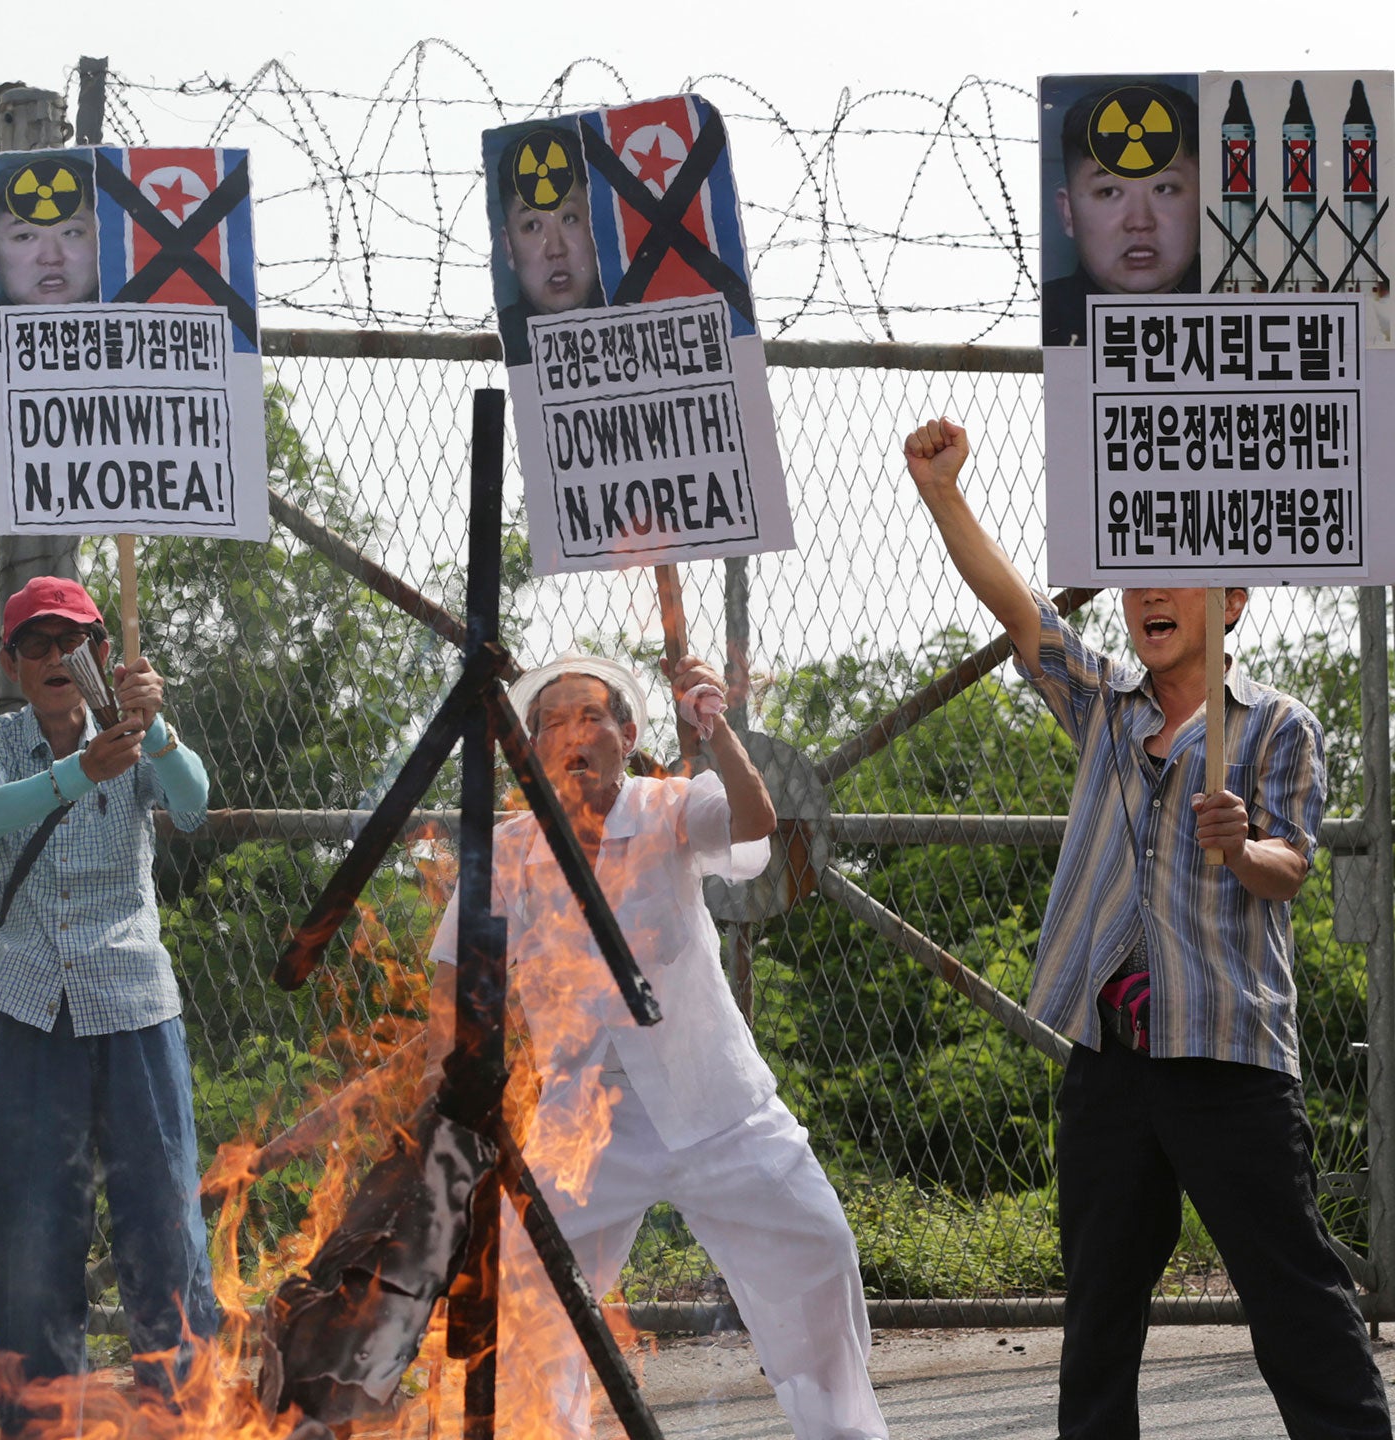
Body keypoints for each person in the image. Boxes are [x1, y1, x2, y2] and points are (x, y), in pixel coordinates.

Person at [904, 416, 1391, 1439]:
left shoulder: (1272, 723)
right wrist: (942, 493)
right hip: (1108, 1060)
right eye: (1134, 585)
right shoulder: (1099, 705)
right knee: (1097, 1324)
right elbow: (1014, 606)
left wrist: (1237, 844)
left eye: (1175, 581)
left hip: (1225, 1058)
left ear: (1235, 601)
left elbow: (1287, 868)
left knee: (1293, 1304)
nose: (1148, 600)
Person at [427, 654, 888, 1440]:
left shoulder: (670, 806)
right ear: (529, 749)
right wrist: (460, 1073)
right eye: (553, 723)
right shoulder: (507, 851)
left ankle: (844, 1432)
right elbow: (451, 971)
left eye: (593, 717)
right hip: (587, 1128)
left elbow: (754, 823)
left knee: (820, 1249)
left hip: (716, 1104)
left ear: (628, 735)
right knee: (525, 1302)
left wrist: (716, 732)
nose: (575, 735)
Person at [0, 576, 216, 1424]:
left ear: (102, 653)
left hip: (137, 1003)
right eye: (36, 645)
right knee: (31, 1233)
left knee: (165, 1223)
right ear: (13, 666)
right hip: (33, 1010)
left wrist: (157, 729)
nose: (55, 657)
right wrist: (74, 776)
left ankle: (178, 1413)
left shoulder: (135, 735)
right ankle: (41, 1418)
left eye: (72, 642)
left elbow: (193, 804)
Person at [1043, 81, 1202, 347]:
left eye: (1163, 189)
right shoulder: (1045, 320)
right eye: (1109, 192)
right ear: (1068, 213)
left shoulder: (1253, 310)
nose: (1140, 222)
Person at [494, 122, 604, 364]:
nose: (556, 249)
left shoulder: (640, 322)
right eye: (532, 226)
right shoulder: (495, 347)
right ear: (509, 247)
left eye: (569, 218)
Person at [0, 154, 101, 354]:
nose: (51, 257)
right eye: (24, 236)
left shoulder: (140, 325)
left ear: (103, 241)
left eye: (71, 233)